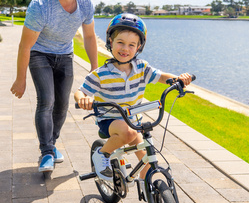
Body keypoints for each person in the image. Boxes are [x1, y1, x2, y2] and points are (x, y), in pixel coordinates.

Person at [74, 13, 193, 185]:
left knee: (147, 160)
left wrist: (178, 79)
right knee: (129, 133)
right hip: (110, 120)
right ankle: (101, 154)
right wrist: (83, 99)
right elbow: (80, 92)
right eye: (120, 42)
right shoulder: (101, 74)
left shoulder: (142, 68)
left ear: (138, 48)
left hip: (133, 119)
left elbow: (161, 77)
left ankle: (148, 188)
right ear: (110, 43)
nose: (125, 48)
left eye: (132, 45)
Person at [10, 0, 98, 173]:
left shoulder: (85, 3)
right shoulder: (40, 5)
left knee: (62, 106)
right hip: (40, 53)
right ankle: (47, 152)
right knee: (46, 101)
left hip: (65, 54)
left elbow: (89, 37)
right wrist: (20, 79)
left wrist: (94, 68)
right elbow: (25, 46)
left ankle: (51, 144)